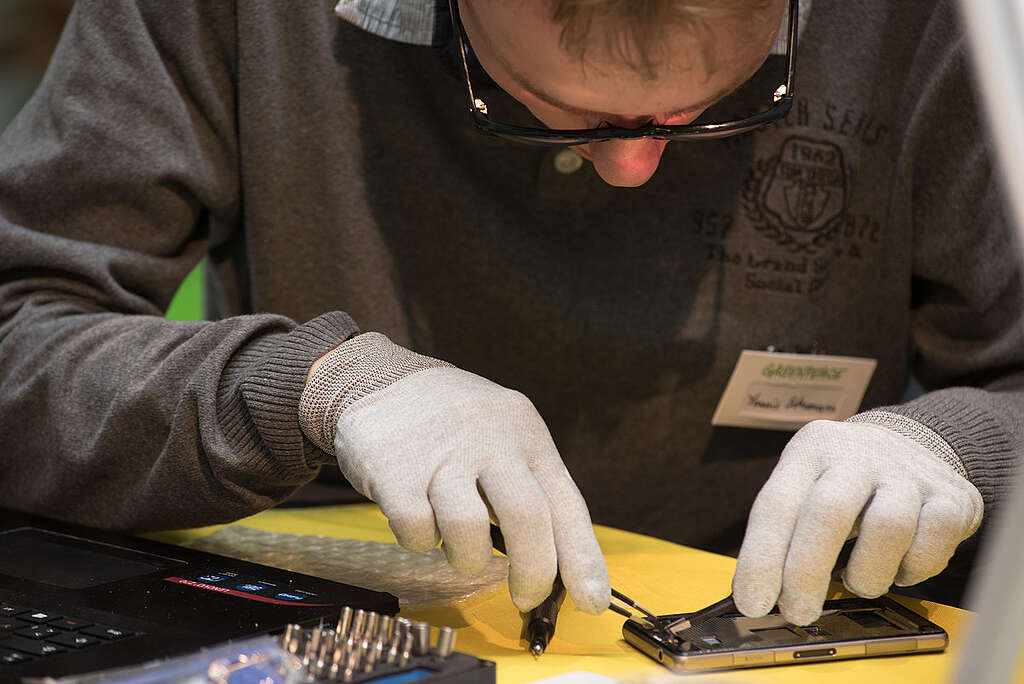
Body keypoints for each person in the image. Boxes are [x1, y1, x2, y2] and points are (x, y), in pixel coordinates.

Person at [0, 0, 1020, 626]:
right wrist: (311, 389)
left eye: (717, 108)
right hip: (347, 617)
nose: (629, 170)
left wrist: (964, 447)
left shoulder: (945, 20)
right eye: (550, 108)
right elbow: (21, 337)